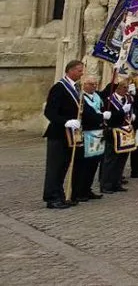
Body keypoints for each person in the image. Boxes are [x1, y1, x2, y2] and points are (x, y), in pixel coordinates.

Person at [42, 59, 84, 209]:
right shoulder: (59, 88)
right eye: (79, 70)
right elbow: (49, 112)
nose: (82, 73)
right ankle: (51, 197)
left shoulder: (75, 88)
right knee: (55, 167)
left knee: (64, 166)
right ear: (70, 70)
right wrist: (65, 121)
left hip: (70, 135)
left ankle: (60, 195)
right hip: (58, 133)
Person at [73, 74, 105, 202]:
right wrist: (102, 117)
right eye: (91, 84)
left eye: (96, 84)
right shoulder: (81, 97)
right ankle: (79, 191)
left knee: (94, 164)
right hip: (86, 133)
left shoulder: (97, 96)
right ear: (84, 84)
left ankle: (88, 188)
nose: (94, 86)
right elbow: (86, 114)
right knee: (84, 165)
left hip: (98, 133)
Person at [99, 79, 134, 193]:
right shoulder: (109, 101)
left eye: (127, 88)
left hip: (125, 131)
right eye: (124, 88)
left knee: (122, 159)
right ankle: (106, 184)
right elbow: (109, 118)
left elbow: (134, 109)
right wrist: (121, 111)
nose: (126, 90)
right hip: (113, 131)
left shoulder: (128, 99)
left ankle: (116, 182)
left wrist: (133, 115)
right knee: (111, 159)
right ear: (118, 88)